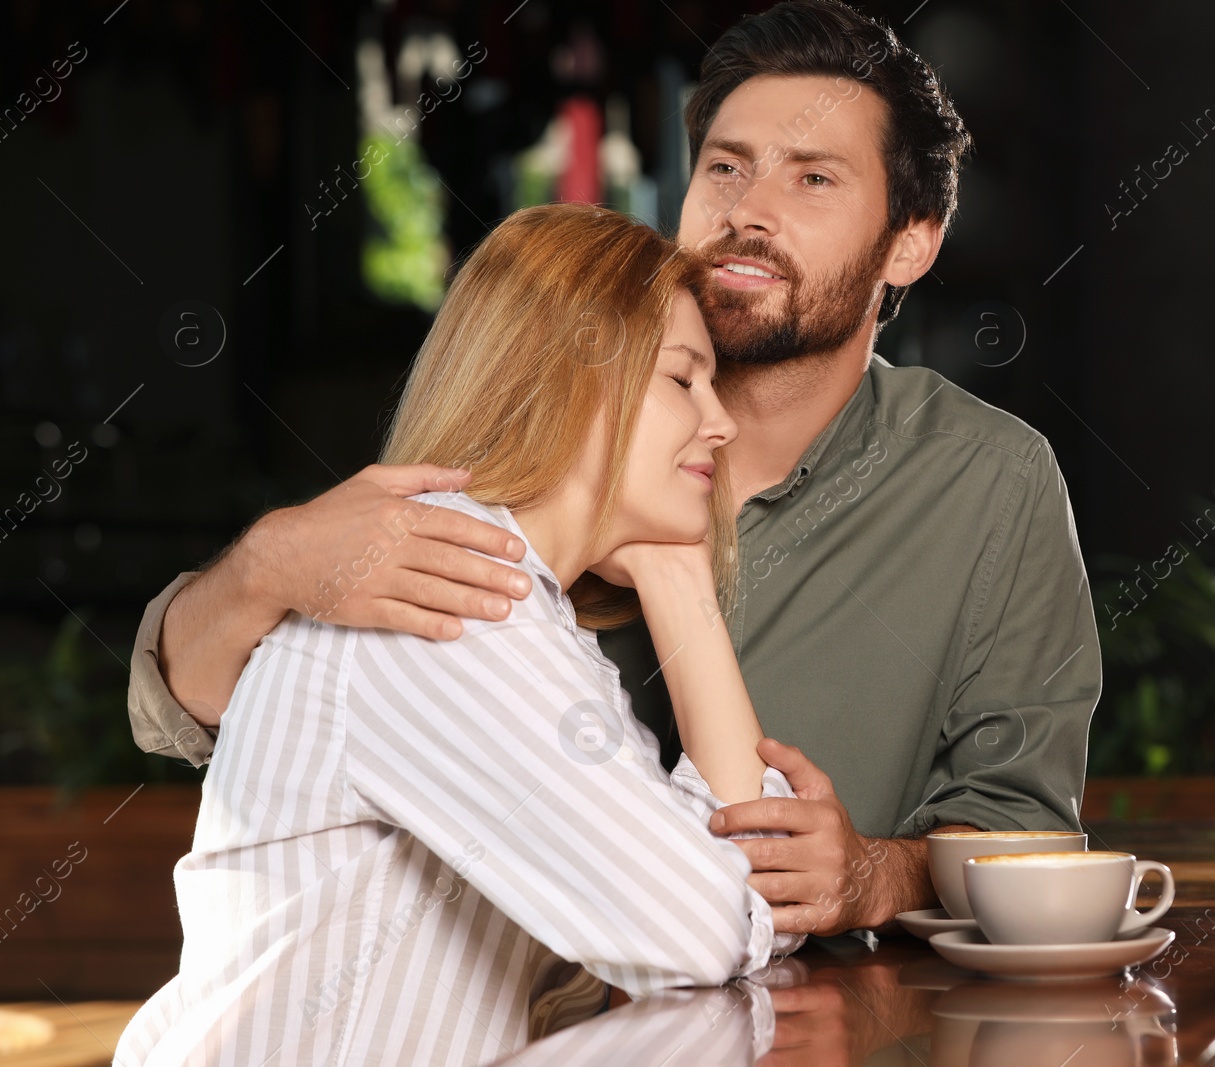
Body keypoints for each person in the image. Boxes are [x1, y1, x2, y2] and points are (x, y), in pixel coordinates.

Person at [126, 0, 1102, 938]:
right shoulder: (548, 408)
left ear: (910, 242)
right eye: (725, 167)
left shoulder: (987, 481)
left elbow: (1026, 837)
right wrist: (263, 571)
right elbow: (227, 711)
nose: (748, 211)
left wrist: (872, 875)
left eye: (813, 179)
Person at [115, 204, 800, 1066]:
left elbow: (725, 880)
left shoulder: (539, 623)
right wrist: (739, 904)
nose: (721, 422)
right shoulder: (452, 580)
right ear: (571, 378)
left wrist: (679, 579)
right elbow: (700, 932)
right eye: (682, 379)